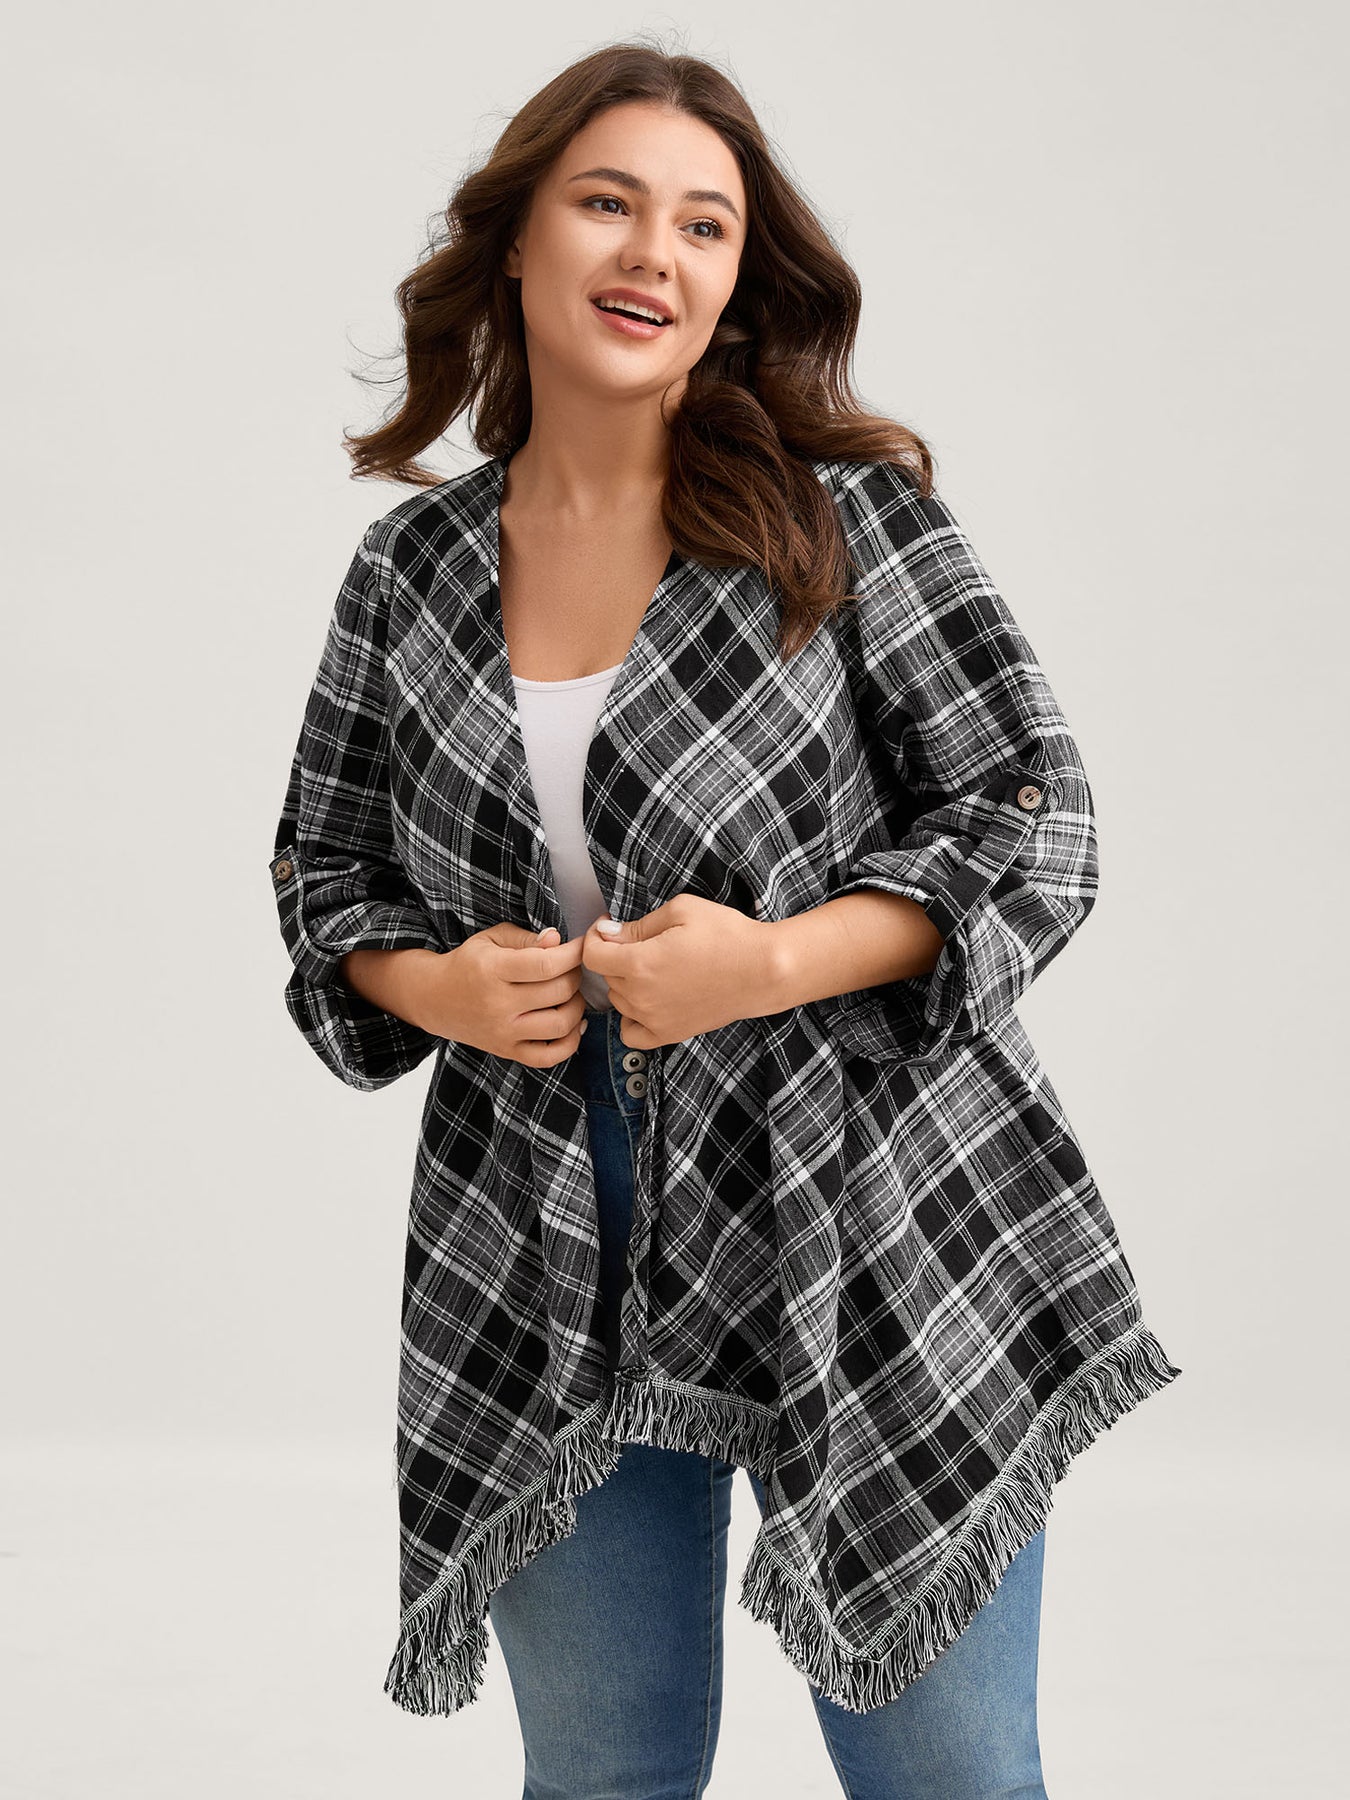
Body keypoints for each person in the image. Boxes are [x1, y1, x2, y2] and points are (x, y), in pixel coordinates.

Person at [268, 37, 1181, 1800]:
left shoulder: (840, 521)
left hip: (870, 1203)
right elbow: (323, 871)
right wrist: (436, 988)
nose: (652, 254)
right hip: (540, 1227)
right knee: (602, 1774)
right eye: (606, 205)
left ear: (737, 281)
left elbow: (1034, 818)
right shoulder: (411, 574)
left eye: (702, 225)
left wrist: (769, 963)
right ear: (515, 242)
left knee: (948, 1776)